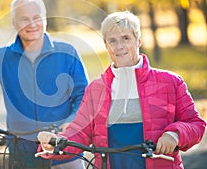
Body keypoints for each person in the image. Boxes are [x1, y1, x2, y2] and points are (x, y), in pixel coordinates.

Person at [38, 11, 206, 168]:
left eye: (125, 38)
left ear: (138, 40)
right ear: (106, 45)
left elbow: (196, 124)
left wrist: (174, 135)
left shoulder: (170, 82)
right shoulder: (96, 89)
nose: (119, 46)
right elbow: (79, 132)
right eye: (112, 40)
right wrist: (54, 142)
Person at [0, 0, 88, 169]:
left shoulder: (67, 52)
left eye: (36, 18)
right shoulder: (0, 57)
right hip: (21, 149)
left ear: (45, 19)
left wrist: (72, 122)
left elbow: (83, 96)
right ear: (14, 23)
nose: (32, 24)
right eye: (24, 19)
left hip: (63, 148)